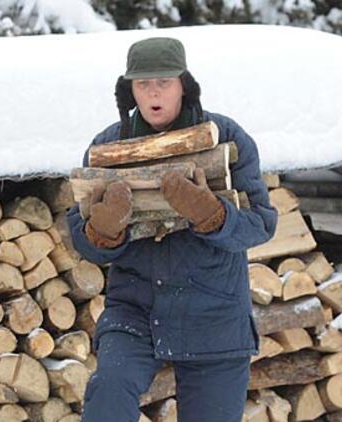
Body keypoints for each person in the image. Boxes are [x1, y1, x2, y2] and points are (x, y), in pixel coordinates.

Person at [66, 37, 278, 422]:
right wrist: (104, 229)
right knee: (107, 397)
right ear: (129, 89)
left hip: (215, 315)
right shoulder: (105, 148)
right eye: (143, 83)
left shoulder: (227, 137)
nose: (153, 92)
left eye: (163, 81)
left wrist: (212, 215)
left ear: (184, 83)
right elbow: (84, 242)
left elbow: (262, 225)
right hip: (136, 311)